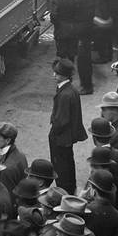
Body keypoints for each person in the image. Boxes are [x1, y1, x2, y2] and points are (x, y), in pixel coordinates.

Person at [48, 58, 87, 195]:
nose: (54, 75)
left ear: (65, 75)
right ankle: (70, 189)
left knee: (61, 168)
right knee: (68, 163)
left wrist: (54, 130)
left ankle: (64, 193)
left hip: (61, 138)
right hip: (67, 137)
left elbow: (61, 121)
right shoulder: (71, 89)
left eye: (57, 73)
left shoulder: (65, 94)